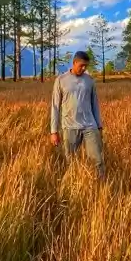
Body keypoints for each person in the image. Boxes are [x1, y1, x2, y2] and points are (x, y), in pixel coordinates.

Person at [50, 51, 106, 180]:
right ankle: (71, 186)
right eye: (81, 65)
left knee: (97, 160)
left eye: (86, 66)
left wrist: (99, 126)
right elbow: (55, 106)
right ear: (74, 63)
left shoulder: (89, 81)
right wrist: (53, 131)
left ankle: (101, 185)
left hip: (90, 126)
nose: (84, 68)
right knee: (71, 161)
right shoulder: (61, 80)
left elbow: (95, 104)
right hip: (70, 127)